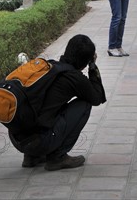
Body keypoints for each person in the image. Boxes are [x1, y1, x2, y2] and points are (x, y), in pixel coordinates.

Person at [9, 34, 106, 171]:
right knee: (84, 105)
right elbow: (97, 98)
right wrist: (93, 66)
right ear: (85, 60)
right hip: (38, 142)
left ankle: (32, 157)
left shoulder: (49, 67)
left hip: (17, 139)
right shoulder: (75, 78)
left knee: (48, 110)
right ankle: (57, 157)